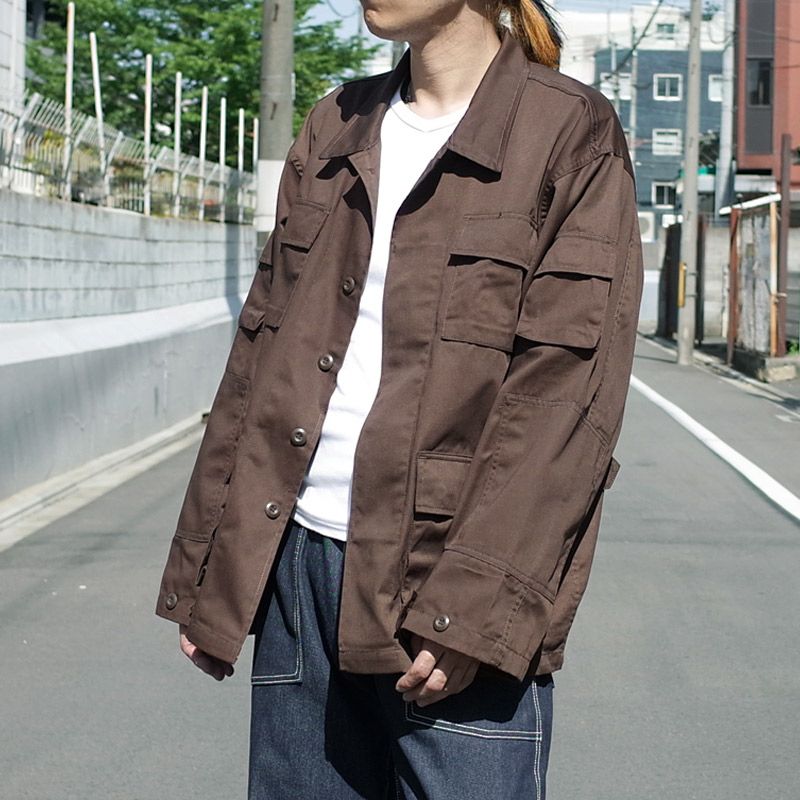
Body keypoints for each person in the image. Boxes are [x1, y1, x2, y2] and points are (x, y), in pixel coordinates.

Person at [155, 0, 643, 796]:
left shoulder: (567, 130)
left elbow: (564, 401)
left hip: (445, 582)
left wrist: (474, 606)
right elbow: (260, 356)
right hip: (299, 568)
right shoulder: (337, 123)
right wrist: (213, 567)